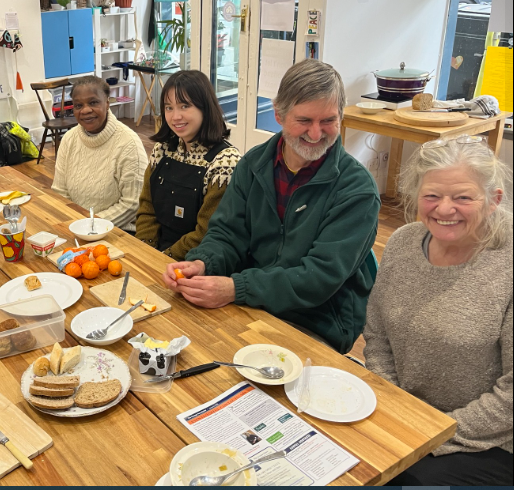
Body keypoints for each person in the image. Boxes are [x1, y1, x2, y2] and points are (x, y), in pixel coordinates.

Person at [163, 60, 381, 354]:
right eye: (304, 120)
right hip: (250, 302)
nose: (316, 134)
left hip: (316, 322)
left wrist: (236, 288)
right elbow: (227, 234)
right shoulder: (254, 164)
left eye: (328, 120)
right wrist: (203, 262)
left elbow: (318, 279)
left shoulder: (357, 190)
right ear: (278, 113)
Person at [363, 137, 512, 486]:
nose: (444, 209)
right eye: (432, 196)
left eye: (463, 197)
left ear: (494, 200)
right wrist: (393, 402)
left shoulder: (505, 265)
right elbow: (377, 332)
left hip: (487, 440)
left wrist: (431, 433)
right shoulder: (403, 242)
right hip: (406, 417)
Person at [135, 70, 241, 261]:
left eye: (185, 106)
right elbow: (146, 209)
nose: (175, 116)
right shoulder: (162, 150)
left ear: (205, 108)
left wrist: (164, 259)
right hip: (154, 256)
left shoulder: (225, 162)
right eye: (169, 107)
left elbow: (206, 233)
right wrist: (145, 251)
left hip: (196, 264)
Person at [51, 76, 147, 233]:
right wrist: (73, 224)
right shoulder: (69, 139)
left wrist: (90, 227)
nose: (86, 110)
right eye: (78, 105)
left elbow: (132, 203)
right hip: (76, 227)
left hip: (118, 231)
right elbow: (59, 192)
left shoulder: (129, 144)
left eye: (93, 102)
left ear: (107, 102)